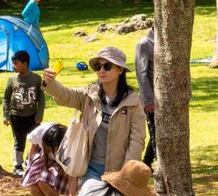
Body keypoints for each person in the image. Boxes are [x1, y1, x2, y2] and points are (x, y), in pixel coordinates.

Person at [44, 45, 146, 182]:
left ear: (120, 70)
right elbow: (65, 96)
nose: (101, 70)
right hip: (91, 167)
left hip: (119, 170)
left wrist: (126, 173)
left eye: (107, 66)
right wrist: (50, 83)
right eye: (98, 66)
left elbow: (137, 140)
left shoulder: (133, 102)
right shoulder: (89, 95)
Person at [1, 49, 47, 172]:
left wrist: (40, 113)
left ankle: (32, 162)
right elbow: (6, 98)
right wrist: (6, 115)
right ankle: (17, 166)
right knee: (19, 140)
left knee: (36, 139)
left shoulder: (36, 79)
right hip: (16, 116)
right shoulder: (12, 80)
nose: (13, 66)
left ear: (25, 64)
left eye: (16, 63)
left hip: (32, 116)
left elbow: (41, 97)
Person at [20, 122, 70, 196]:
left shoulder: (67, 137)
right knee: (33, 187)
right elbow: (33, 147)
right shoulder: (40, 132)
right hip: (42, 156)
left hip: (61, 159)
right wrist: (30, 165)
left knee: (42, 181)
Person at [135, 29, 157, 165]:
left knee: (160, 132)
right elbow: (141, 74)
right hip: (152, 100)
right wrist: (148, 99)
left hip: (166, 99)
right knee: (157, 134)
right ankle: (150, 164)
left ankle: (146, 163)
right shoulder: (144, 44)